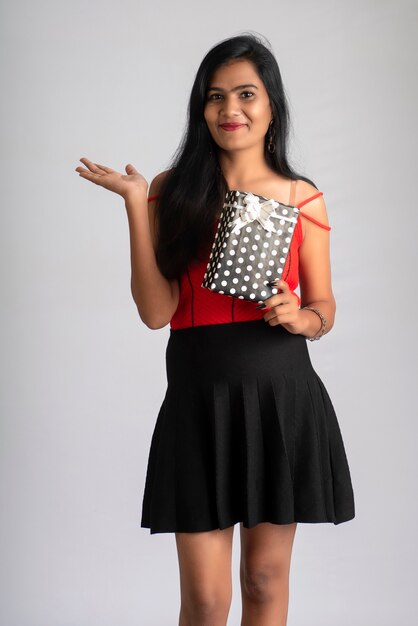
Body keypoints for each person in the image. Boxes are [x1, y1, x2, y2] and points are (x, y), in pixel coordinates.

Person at [76, 33, 355, 626]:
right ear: (201, 110)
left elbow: (325, 304)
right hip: (198, 400)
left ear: (271, 105)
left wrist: (302, 317)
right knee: (205, 601)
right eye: (215, 96)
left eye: (246, 94)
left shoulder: (303, 199)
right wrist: (134, 202)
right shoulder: (170, 191)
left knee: (262, 580)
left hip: (281, 397)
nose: (230, 109)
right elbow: (156, 312)